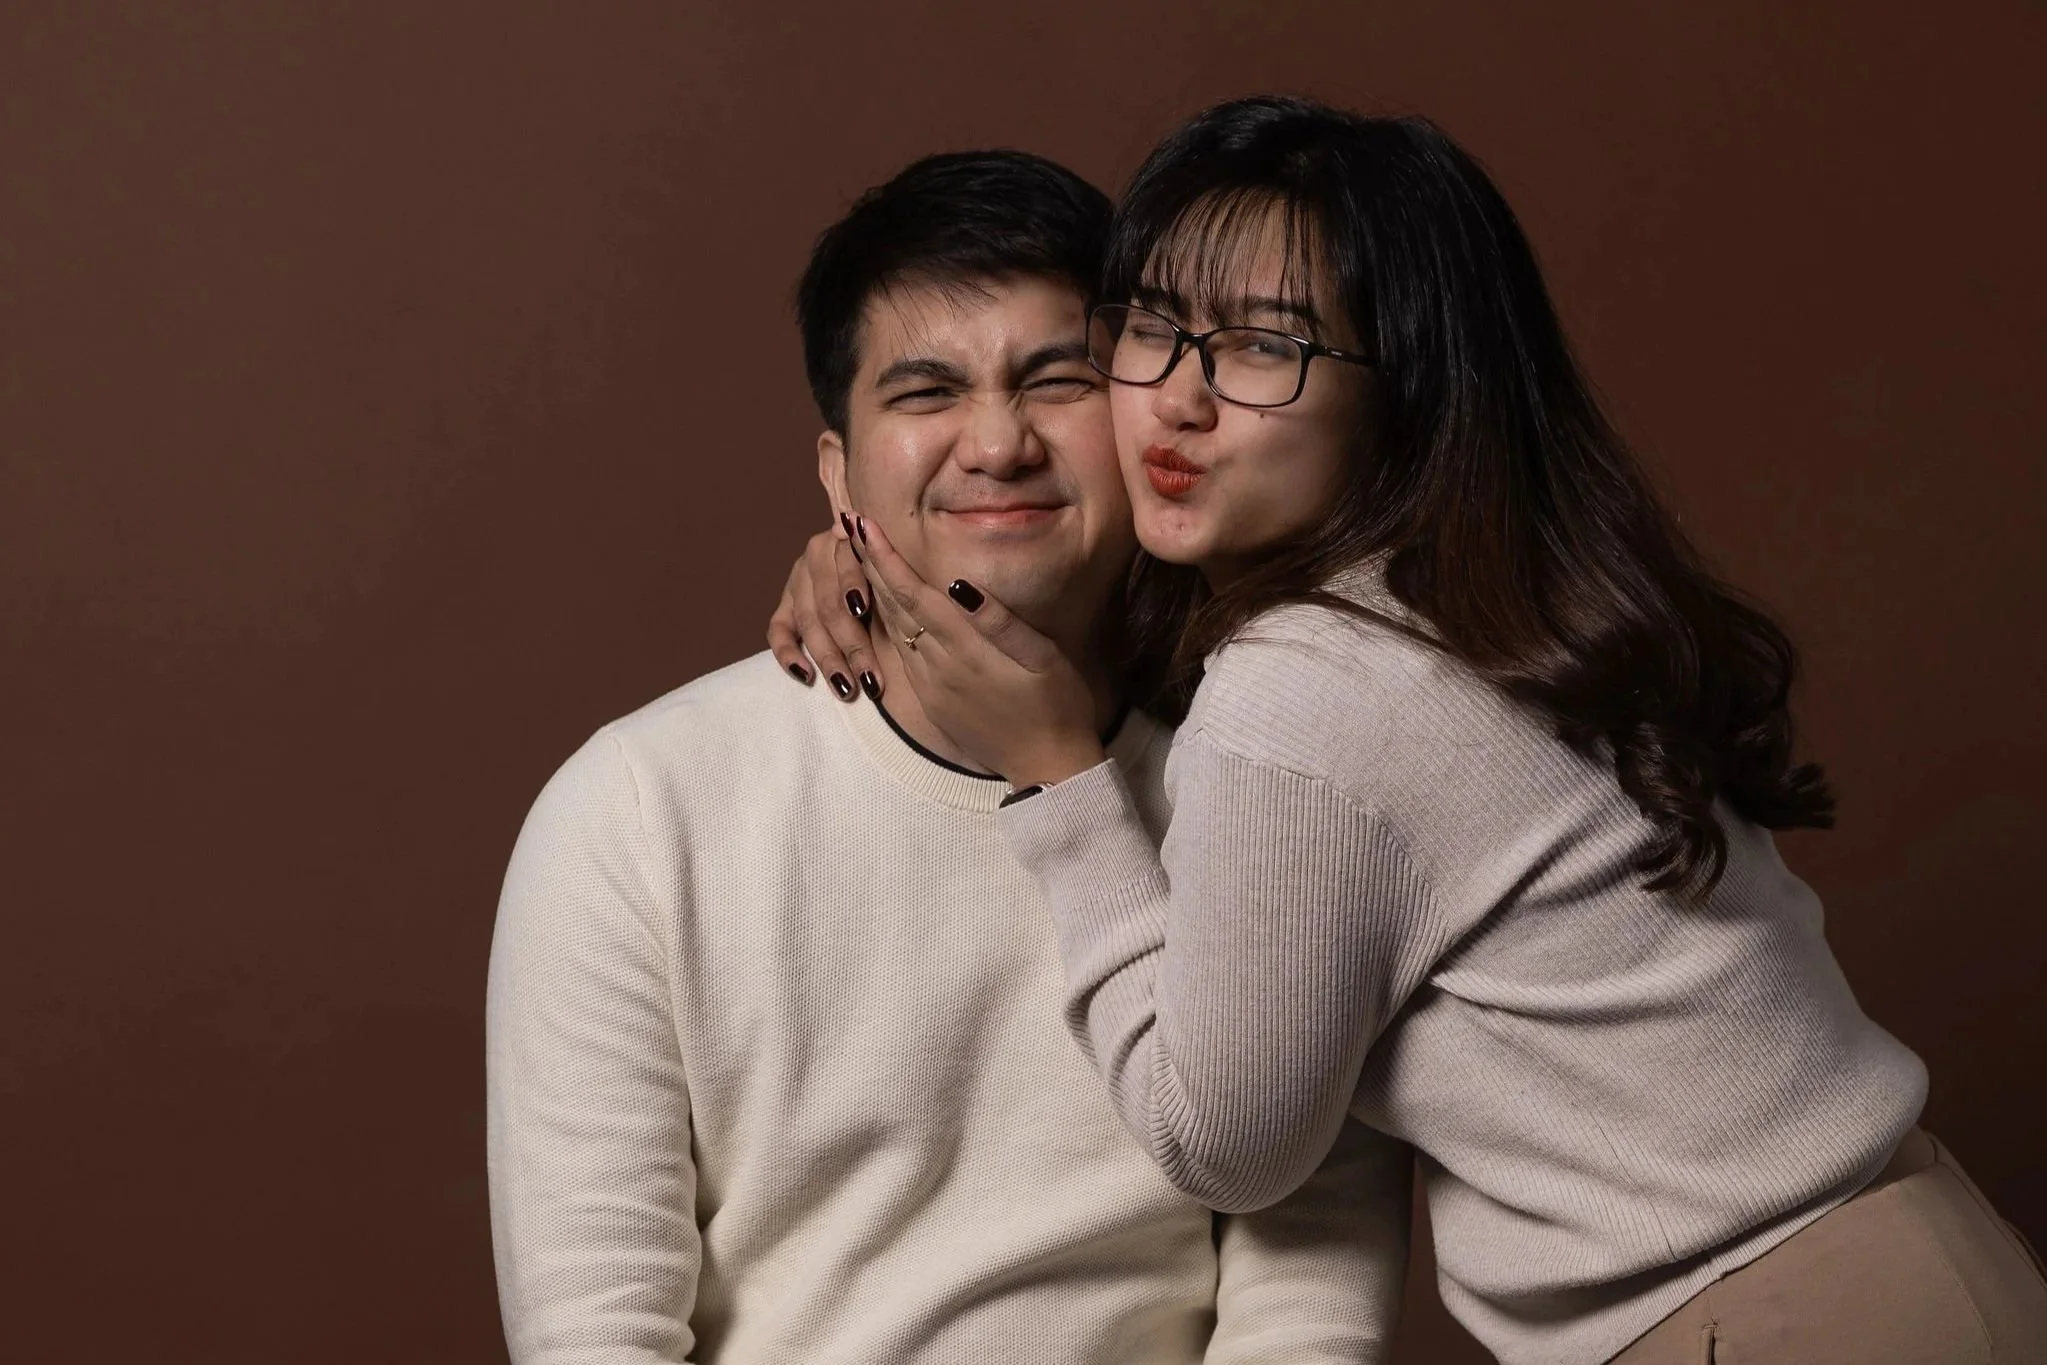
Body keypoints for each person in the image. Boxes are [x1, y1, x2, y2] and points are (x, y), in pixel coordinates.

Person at [768, 97, 2047, 1364]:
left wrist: (1055, 776)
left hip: (1775, 1318)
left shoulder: (1309, 682)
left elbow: (1224, 1145)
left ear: (1404, 392)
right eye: (1151, 327)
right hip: (1911, 1254)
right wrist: (872, 578)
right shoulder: (1459, 599)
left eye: (1264, 347)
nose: (1177, 399)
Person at [486, 148, 1411, 1365]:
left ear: (1143, 411)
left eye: (1057, 379)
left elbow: (1309, 1289)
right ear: (838, 473)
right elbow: (594, 1328)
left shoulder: (1281, 788)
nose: (998, 442)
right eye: (925, 393)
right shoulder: (636, 813)